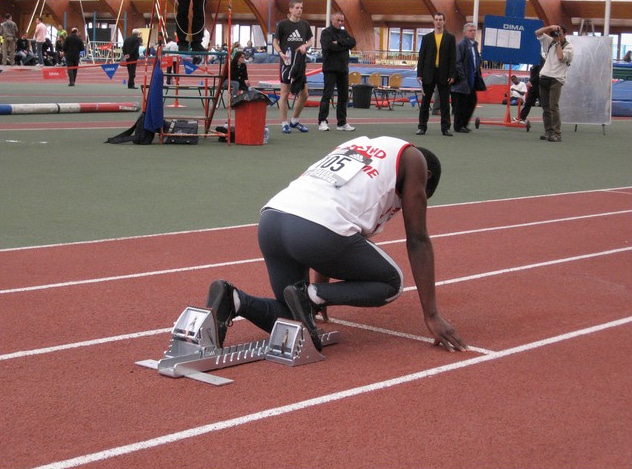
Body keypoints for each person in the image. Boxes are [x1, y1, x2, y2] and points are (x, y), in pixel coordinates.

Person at [205, 136, 468, 354]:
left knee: (293, 317)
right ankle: (307, 295)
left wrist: (321, 292)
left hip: (272, 220)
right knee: (392, 282)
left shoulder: (356, 146)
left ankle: (234, 299)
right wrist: (431, 315)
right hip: (316, 228)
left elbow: (331, 217)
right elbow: (418, 239)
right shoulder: (415, 159)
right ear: (427, 176)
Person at [272, 0, 313, 134]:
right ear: (290, 9)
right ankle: (284, 123)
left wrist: (304, 46)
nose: (299, 10)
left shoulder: (305, 25)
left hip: (300, 63)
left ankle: (294, 120)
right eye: (297, 8)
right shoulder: (283, 25)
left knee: (305, 94)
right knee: (284, 94)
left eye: (301, 8)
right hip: (287, 63)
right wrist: (281, 53)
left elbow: (310, 41)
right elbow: (275, 42)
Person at [416, 12, 457, 136]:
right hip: (428, 73)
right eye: (436, 19)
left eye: (440, 19)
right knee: (425, 102)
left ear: (444, 22)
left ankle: (446, 128)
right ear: (434, 21)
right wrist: (419, 74)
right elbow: (421, 56)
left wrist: (452, 74)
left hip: (444, 74)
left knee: (444, 102)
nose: (438, 22)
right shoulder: (426, 38)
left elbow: (452, 58)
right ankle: (422, 127)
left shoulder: (450, 38)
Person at [318, 11, 356, 132]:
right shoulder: (326, 33)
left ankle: (342, 122)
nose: (340, 23)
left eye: (342, 21)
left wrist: (339, 43)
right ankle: (322, 121)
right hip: (330, 69)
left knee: (343, 96)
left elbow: (353, 42)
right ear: (332, 20)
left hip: (343, 69)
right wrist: (344, 45)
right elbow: (328, 46)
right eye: (338, 20)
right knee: (327, 95)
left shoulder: (344, 33)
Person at [535, 24, 573, 143]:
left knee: (553, 107)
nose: (557, 35)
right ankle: (548, 132)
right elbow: (537, 32)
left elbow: (561, 57)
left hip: (557, 79)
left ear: (564, 34)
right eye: (557, 32)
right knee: (545, 107)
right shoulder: (550, 41)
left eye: (560, 33)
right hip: (545, 76)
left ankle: (557, 133)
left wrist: (557, 43)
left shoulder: (569, 47)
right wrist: (550, 28)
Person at [451, 22, 484, 134]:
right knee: (461, 103)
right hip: (463, 79)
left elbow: (476, 61)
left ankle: (464, 124)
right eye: (470, 30)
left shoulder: (474, 45)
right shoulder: (461, 45)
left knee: (472, 101)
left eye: (474, 30)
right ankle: (458, 126)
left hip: (473, 78)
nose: (473, 32)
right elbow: (458, 62)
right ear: (465, 32)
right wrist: (462, 77)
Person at [513, 59, 543, 124]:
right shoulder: (534, 63)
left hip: (539, 87)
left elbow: (540, 74)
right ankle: (521, 118)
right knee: (528, 103)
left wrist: (530, 81)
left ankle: (551, 120)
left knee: (544, 105)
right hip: (533, 87)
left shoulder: (541, 61)